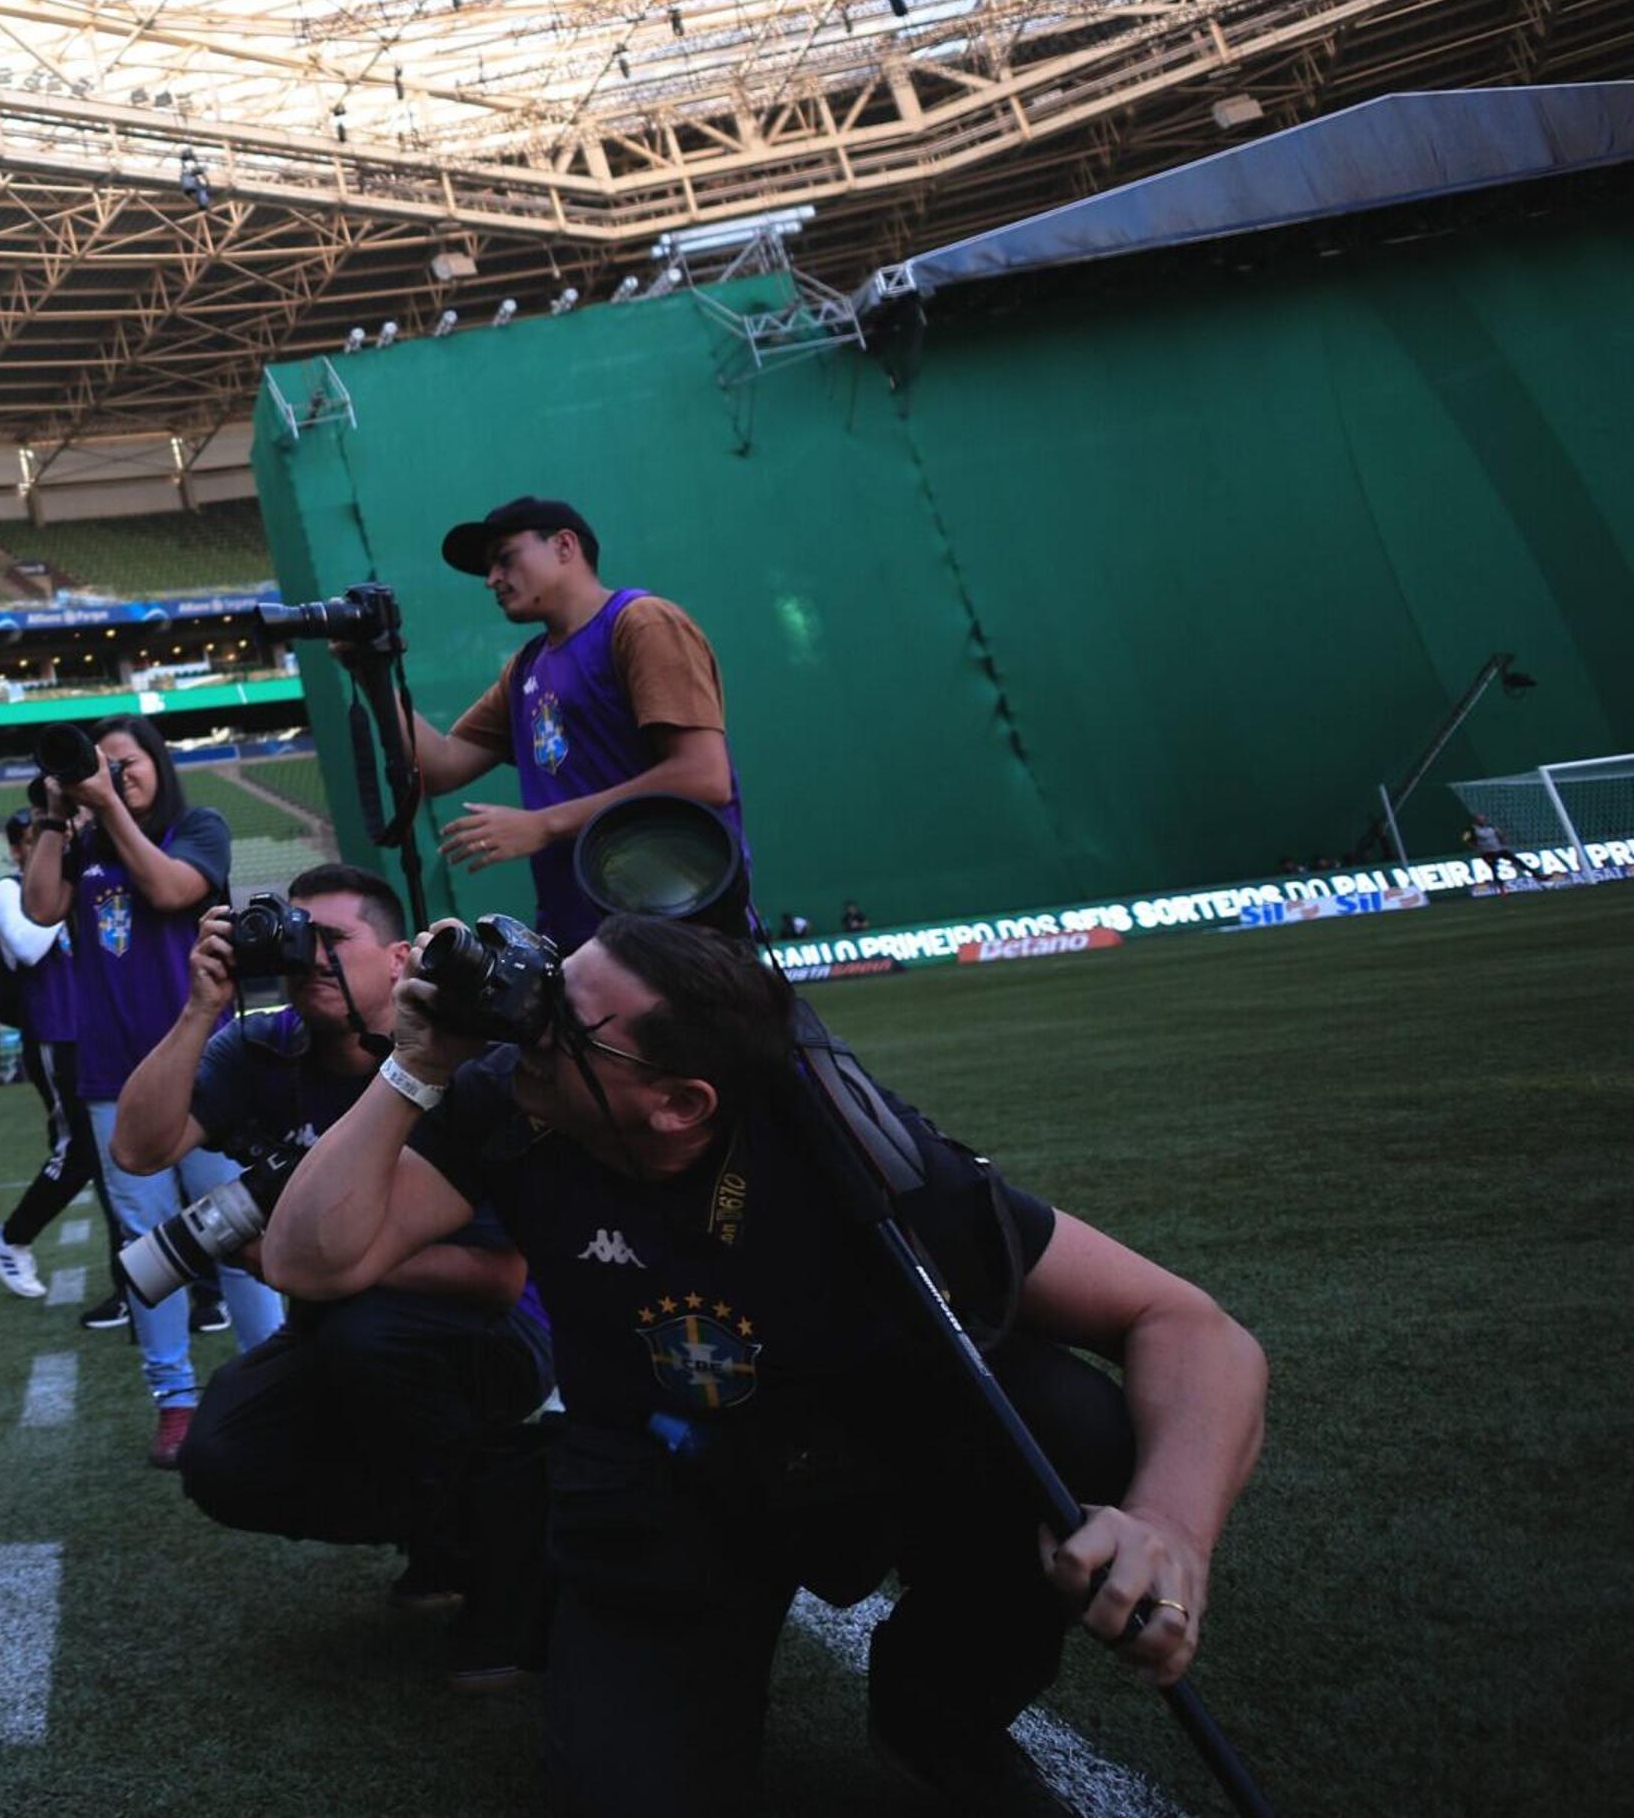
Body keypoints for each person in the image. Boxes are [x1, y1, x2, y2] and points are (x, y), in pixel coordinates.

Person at [267, 914, 1270, 1813]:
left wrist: (1171, 1528)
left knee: (1073, 1422)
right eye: (554, 977)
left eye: (570, 1018)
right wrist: (412, 1070)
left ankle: (937, 1713)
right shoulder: (511, 1101)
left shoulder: (855, 1158)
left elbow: (1185, 1324)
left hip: (869, 1455)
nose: (531, 1022)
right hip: (663, 1487)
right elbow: (310, 1259)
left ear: (677, 1105)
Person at [110, 866, 554, 1666]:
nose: (311, 957)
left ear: (396, 961)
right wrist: (200, 1007)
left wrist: (308, 1263)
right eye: (297, 936)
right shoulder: (261, 1049)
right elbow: (139, 1149)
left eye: (335, 941)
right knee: (223, 1456)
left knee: (369, 1337)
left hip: (491, 1337)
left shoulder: (460, 1060)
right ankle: (441, 1526)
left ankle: (506, 1545)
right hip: (340, 1331)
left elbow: (501, 1279)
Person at [18, 716, 236, 1465]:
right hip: (113, 1075)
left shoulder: (197, 827)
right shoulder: (81, 843)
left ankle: (276, 1371)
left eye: (128, 762)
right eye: (103, 765)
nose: (115, 775)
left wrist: (105, 806)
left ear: (158, 764)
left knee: (233, 1233)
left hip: (211, 1069)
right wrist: (55, 812)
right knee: (151, 1249)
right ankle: (175, 1399)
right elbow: (39, 908)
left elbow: (174, 891)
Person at [407, 497, 738, 947]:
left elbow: (705, 776)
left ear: (564, 546)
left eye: (505, 559)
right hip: (581, 933)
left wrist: (543, 824)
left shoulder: (640, 622)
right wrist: (372, 669)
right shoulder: (526, 667)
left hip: (676, 928)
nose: (492, 580)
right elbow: (439, 768)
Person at [0, 808, 87, 1303]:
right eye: (34, 839)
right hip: (55, 1032)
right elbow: (28, 947)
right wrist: (63, 894)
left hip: (97, 1031)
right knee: (77, 1147)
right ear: (19, 850)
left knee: (108, 1151)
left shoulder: (85, 878)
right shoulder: (7, 891)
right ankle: (11, 1237)